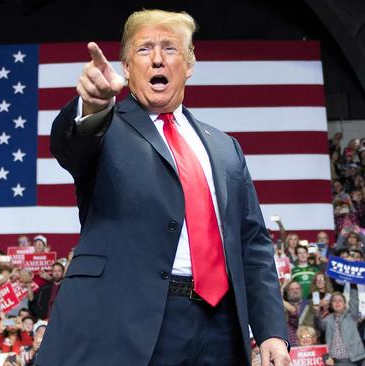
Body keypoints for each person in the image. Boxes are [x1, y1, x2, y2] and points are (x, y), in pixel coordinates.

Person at [37, 9, 289, 366]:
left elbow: (252, 243)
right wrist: (92, 107)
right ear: (125, 67)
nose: (157, 58)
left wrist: (272, 332)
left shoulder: (225, 147)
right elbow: (70, 145)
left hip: (221, 328)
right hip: (132, 326)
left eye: (170, 48)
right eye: (144, 50)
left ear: (189, 64)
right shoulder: (105, 127)